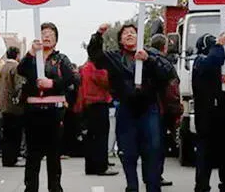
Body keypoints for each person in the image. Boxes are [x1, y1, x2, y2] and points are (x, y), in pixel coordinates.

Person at [88, 23, 174, 192]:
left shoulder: (151, 54)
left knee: (153, 150)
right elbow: (95, 55)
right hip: (126, 109)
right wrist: (98, 35)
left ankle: (153, 186)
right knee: (128, 152)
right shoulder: (114, 57)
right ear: (120, 39)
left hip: (149, 109)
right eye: (125, 33)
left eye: (133, 32)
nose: (129, 35)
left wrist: (149, 59)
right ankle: (132, 186)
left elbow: (168, 72)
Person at [18, 22, 74, 192]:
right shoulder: (32, 58)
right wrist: (31, 52)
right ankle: (31, 188)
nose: (47, 36)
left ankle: (55, 188)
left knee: (53, 156)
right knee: (32, 156)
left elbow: (71, 79)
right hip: (32, 112)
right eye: (44, 33)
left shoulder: (61, 59)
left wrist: (53, 83)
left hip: (54, 112)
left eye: (51, 33)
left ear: (56, 39)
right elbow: (20, 70)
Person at [192, 33, 225, 192]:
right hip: (206, 116)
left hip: (224, 116)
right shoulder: (200, 62)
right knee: (204, 153)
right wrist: (219, 45)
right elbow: (213, 60)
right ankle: (202, 186)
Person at [74, 58, 117, 176]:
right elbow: (105, 81)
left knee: (90, 137)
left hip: (87, 103)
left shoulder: (84, 67)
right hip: (98, 102)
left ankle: (91, 166)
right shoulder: (96, 67)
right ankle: (102, 166)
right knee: (101, 136)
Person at [148, 33, 180, 187]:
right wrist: (176, 109)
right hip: (162, 108)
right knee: (159, 144)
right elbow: (171, 88)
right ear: (164, 47)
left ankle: (150, 174)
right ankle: (156, 175)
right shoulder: (164, 63)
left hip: (147, 107)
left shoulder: (145, 60)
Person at [0, 46, 26, 168]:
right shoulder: (16, 67)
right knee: (15, 134)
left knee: (7, 134)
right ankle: (13, 158)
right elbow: (18, 86)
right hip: (14, 106)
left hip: (4, 104)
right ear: (17, 55)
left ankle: (6, 158)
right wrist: (20, 100)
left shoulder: (3, 67)